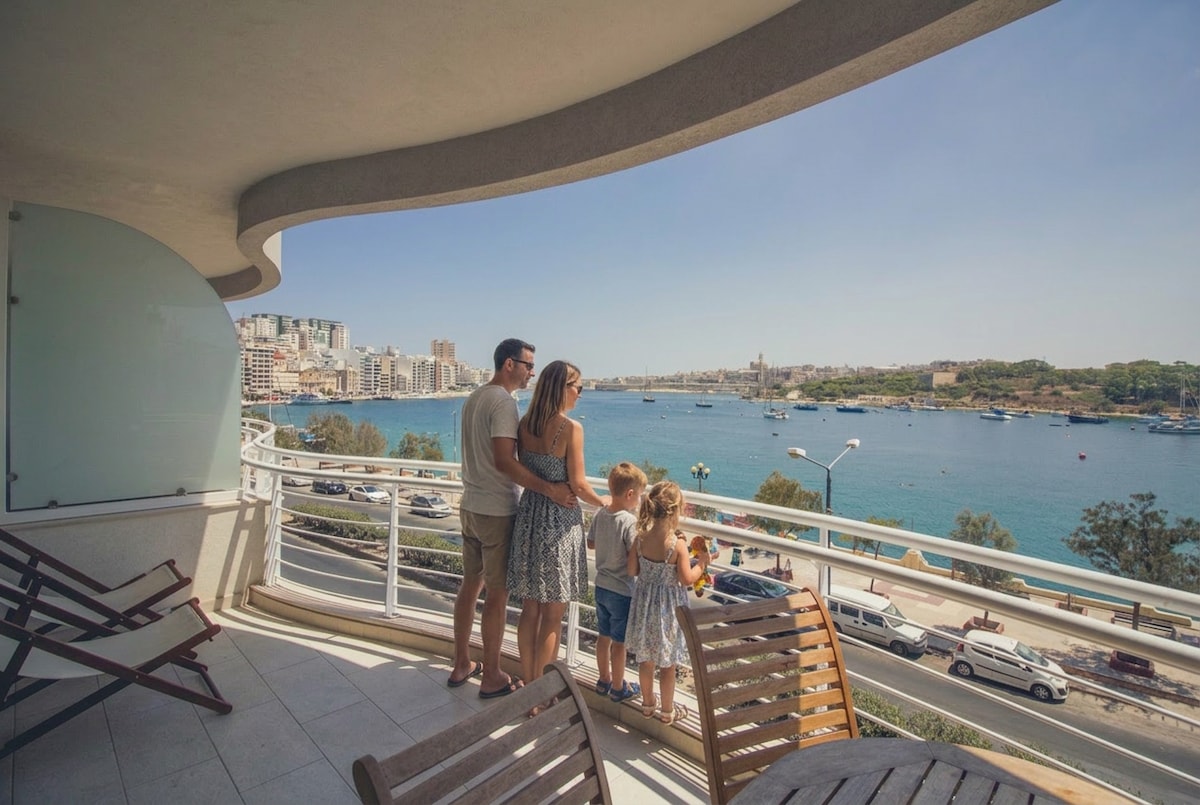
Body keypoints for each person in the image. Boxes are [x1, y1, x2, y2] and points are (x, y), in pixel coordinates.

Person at [449, 339, 576, 699]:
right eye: (528, 365)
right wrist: (550, 489)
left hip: (470, 506)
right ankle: (492, 675)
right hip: (496, 510)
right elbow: (504, 460)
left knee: (469, 587)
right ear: (509, 364)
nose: (531, 373)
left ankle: (461, 663)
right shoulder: (503, 402)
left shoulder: (475, 397)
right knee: (497, 595)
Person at [507, 360, 609, 691]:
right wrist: (603, 502)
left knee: (530, 609)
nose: (580, 393)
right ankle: (541, 694)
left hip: (529, 518)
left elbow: (522, 469)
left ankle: (528, 685)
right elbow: (578, 484)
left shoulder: (525, 425)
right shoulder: (570, 429)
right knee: (553, 615)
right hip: (558, 523)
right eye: (578, 387)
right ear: (562, 389)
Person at [624, 480, 712, 725]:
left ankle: (647, 704)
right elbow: (686, 579)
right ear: (675, 511)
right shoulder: (677, 545)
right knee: (668, 664)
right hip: (667, 612)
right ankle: (667, 711)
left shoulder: (641, 538)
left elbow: (631, 570)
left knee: (646, 660)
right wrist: (702, 563)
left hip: (644, 607)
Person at [586, 461, 647, 704]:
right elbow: (634, 552)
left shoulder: (601, 513)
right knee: (619, 643)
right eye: (639, 495)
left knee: (603, 636)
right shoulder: (629, 522)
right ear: (630, 494)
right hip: (622, 590)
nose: (640, 500)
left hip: (601, 586)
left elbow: (591, 543)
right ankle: (619, 687)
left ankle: (604, 679)